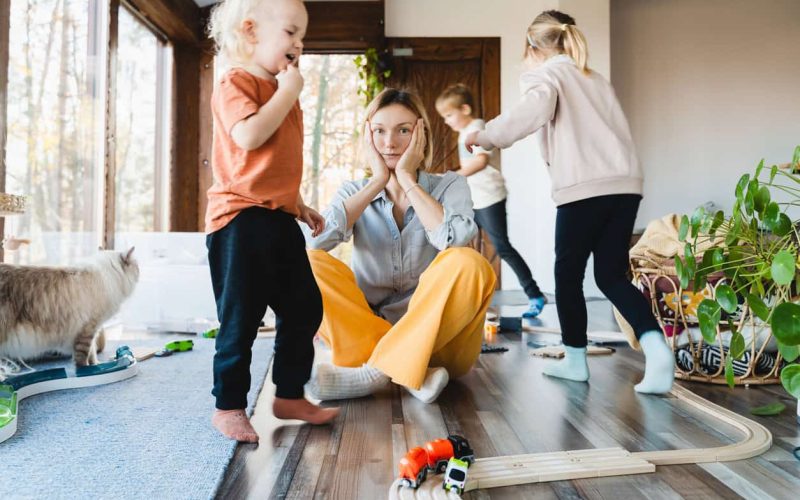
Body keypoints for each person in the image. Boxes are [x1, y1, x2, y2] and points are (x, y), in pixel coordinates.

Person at [466, 10, 674, 394]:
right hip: (625, 185)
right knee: (610, 275)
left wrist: (485, 133)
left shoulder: (549, 75)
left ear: (533, 47)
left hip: (585, 188)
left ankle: (576, 361)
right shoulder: (594, 79)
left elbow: (529, 113)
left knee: (567, 274)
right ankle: (657, 349)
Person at [302, 88, 497, 404]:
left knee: (470, 263)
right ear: (367, 136)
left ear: (421, 135)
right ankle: (413, 372)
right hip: (364, 337)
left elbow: (455, 240)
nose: (390, 143)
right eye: (379, 131)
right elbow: (314, 241)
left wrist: (408, 179)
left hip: (439, 341)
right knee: (307, 263)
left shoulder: (451, 185)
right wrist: (376, 182)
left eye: (403, 130)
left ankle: (375, 373)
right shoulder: (354, 191)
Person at [205, 0, 339, 443]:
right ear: (250, 32)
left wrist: (298, 203)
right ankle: (228, 406)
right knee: (241, 317)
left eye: (302, 36)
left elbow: (272, 161)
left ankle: (289, 393)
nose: (299, 44)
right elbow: (249, 136)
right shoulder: (236, 82)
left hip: (277, 216)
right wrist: (288, 92)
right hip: (240, 219)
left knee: (304, 306)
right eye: (290, 33)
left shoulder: (282, 92)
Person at [436, 84, 546, 318]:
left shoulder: (476, 128)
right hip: (473, 199)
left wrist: (450, 178)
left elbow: (480, 161)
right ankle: (466, 300)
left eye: (449, 115)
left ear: (464, 109)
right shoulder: (463, 133)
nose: (446, 121)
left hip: (489, 197)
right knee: (460, 245)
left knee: (501, 247)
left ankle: (535, 294)